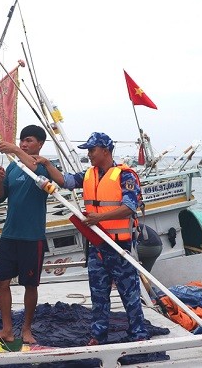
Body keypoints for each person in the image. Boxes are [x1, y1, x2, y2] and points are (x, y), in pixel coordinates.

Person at [63, 132, 149, 345]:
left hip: (119, 246)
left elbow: (129, 207)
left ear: (105, 150)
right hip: (97, 246)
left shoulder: (124, 176)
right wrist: (44, 164)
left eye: (92, 150)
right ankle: (98, 335)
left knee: (129, 293)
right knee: (98, 294)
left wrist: (99, 217)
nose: (89, 154)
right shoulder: (88, 175)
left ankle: (138, 333)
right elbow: (65, 181)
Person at [0, 125, 64, 345]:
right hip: (10, 235)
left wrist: (13, 149)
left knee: (30, 285)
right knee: (2, 281)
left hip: (32, 237)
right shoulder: (13, 167)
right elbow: (0, 198)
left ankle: (27, 329)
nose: (23, 144)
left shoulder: (43, 166)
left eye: (28, 140)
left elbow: (35, 168)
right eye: (21, 141)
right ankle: (7, 329)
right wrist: (0, 181)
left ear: (40, 143)